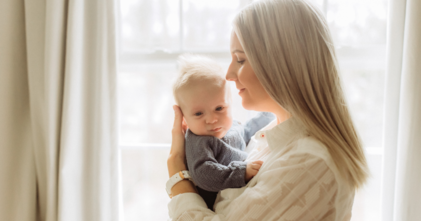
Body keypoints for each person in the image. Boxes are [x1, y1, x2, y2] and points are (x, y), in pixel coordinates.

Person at [167, 0, 370, 220]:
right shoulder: (270, 137)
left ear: (280, 64)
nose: (229, 74)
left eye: (240, 59)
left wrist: (177, 173)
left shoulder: (309, 162)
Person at [172, 54, 275, 210]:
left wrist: (269, 112)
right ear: (184, 120)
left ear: (230, 104)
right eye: (199, 113)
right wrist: (241, 172)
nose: (212, 119)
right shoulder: (199, 141)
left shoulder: (231, 127)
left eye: (219, 108)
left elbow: (247, 131)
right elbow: (204, 174)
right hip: (209, 210)